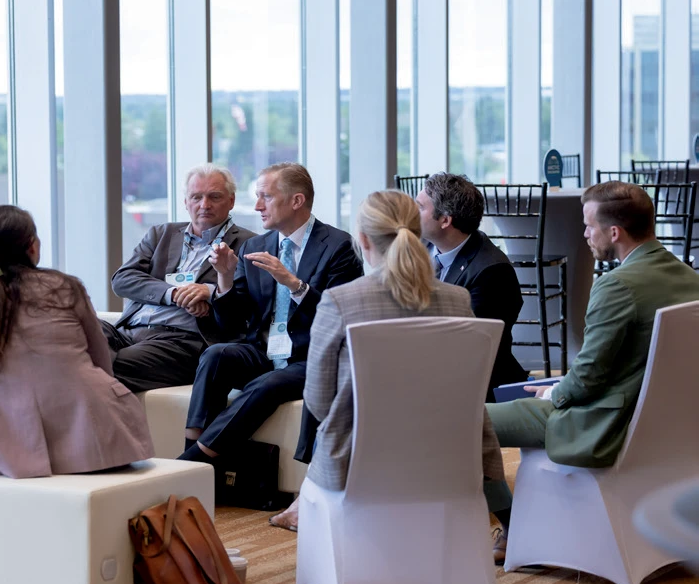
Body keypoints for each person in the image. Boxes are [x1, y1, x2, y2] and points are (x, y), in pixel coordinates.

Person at [486, 180, 699, 560]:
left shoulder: (617, 286)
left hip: (606, 421)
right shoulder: (690, 279)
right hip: (666, 424)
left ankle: (512, 523)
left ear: (613, 232)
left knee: (468, 420)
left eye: (589, 226)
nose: (585, 234)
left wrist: (557, 391)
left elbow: (586, 380)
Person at [271, 190, 508, 531]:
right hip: (449, 461)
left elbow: (320, 403)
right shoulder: (458, 300)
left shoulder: (342, 301)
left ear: (363, 240)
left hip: (360, 467)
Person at [0, 205, 155, 495]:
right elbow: (101, 362)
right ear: (33, 246)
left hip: (13, 447)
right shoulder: (66, 286)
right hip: (99, 434)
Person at [178, 162, 364, 466]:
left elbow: (340, 320)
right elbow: (232, 324)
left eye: (266, 196)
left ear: (296, 200)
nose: (258, 206)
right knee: (216, 356)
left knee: (268, 384)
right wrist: (224, 278)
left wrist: (294, 284)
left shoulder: (339, 246)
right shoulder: (256, 246)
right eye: (257, 196)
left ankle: (191, 464)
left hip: (310, 357)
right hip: (262, 351)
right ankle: (192, 454)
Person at [102, 163, 255, 392]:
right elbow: (123, 279)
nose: (205, 205)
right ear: (186, 202)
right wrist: (173, 294)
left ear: (231, 201)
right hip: (128, 332)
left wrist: (210, 292)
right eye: (196, 197)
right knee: (74, 336)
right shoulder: (161, 234)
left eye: (214, 197)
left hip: (183, 342)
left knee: (102, 367)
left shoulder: (249, 244)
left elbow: (247, 303)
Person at [417, 172, 527, 400]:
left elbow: (467, 345)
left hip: (477, 389)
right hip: (433, 369)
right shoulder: (420, 244)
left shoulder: (492, 272)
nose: (411, 214)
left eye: (419, 208)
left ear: (445, 220)